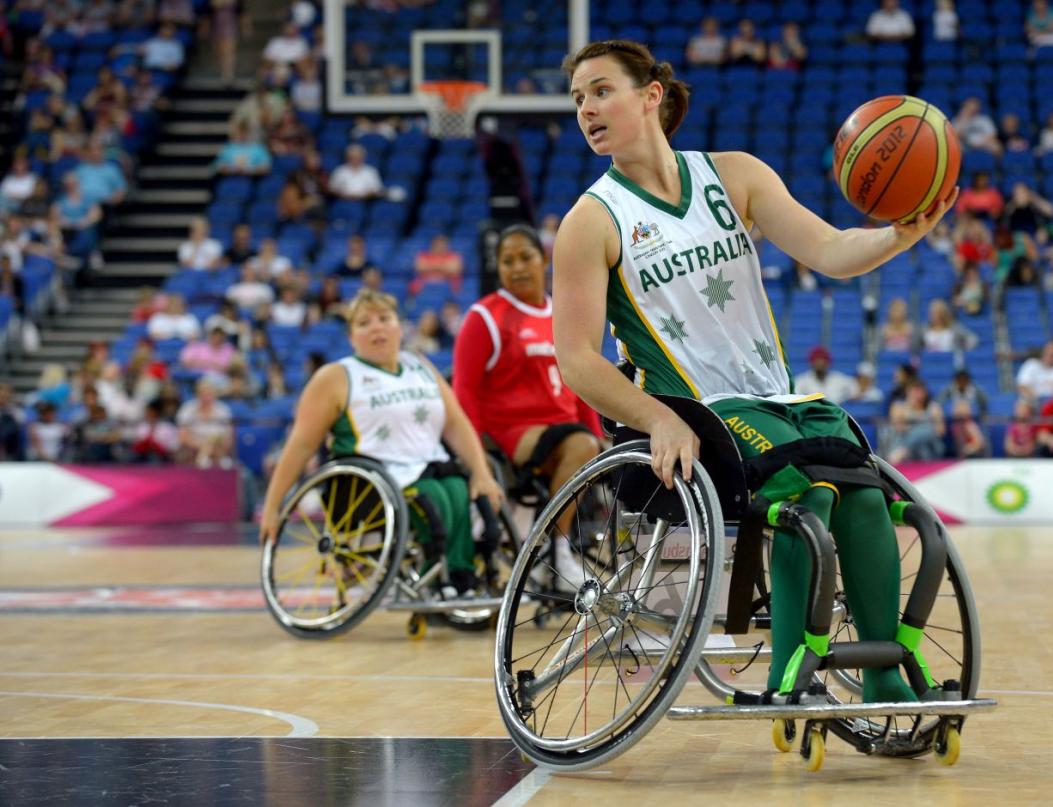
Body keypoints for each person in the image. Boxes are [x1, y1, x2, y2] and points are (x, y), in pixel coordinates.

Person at [554, 40, 957, 703]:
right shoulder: (591, 222)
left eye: (601, 91)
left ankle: (883, 671)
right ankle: (790, 674)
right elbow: (576, 359)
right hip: (696, 414)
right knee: (808, 495)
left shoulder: (734, 174)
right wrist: (656, 419)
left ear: (651, 95)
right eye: (577, 99)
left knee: (861, 490)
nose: (587, 109)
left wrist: (897, 235)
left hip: (775, 398)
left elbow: (828, 248)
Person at [259, 289, 504, 599]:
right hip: (374, 481)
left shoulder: (419, 366)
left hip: (431, 465)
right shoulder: (336, 377)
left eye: (385, 319)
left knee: (458, 488)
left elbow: (456, 423)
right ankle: (437, 579)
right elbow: (302, 444)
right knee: (434, 498)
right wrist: (272, 506)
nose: (376, 327)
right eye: (364, 323)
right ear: (351, 337)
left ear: (400, 327)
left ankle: (461, 578)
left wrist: (481, 472)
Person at [452, 224, 605, 586]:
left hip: (569, 430)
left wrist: (601, 445)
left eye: (525, 257)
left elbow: (581, 384)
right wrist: (475, 461)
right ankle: (554, 552)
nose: (517, 267)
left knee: (613, 449)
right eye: (507, 261)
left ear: (544, 259)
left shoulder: (563, 314)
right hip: (511, 434)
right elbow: (465, 393)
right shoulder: (486, 317)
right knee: (581, 445)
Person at [885, 380, 946, 462]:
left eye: (920, 391)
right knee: (923, 432)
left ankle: (906, 450)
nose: (917, 395)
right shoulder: (898, 406)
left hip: (930, 445)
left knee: (927, 431)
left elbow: (940, 431)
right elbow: (899, 428)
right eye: (914, 391)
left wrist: (916, 425)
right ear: (907, 392)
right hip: (905, 442)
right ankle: (907, 450)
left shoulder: (934, 407)